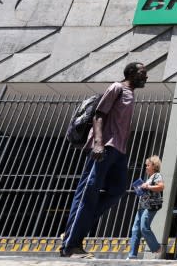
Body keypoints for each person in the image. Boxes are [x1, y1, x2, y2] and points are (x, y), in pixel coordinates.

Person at [60, 62, 148, 258]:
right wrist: (98, 143)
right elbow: (99, 115)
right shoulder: (117, 87)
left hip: (119, 151)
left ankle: (75, 227)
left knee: (117, 191)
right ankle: (70, 245)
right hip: (104, 147)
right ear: (131, 73)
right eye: (143, 73)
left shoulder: (131, 94)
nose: (146, 77)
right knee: (87, 192)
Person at [128, 155, 165, 259]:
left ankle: (157, 248)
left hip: (150, 206)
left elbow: (161, 187)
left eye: (147, 165)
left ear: (154, 166)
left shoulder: (157, 175)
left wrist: (148, 186)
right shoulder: (149, 178)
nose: (146, 167)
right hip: (142, 206)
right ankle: (132, 255)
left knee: (144, 227)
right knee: (135, 230)